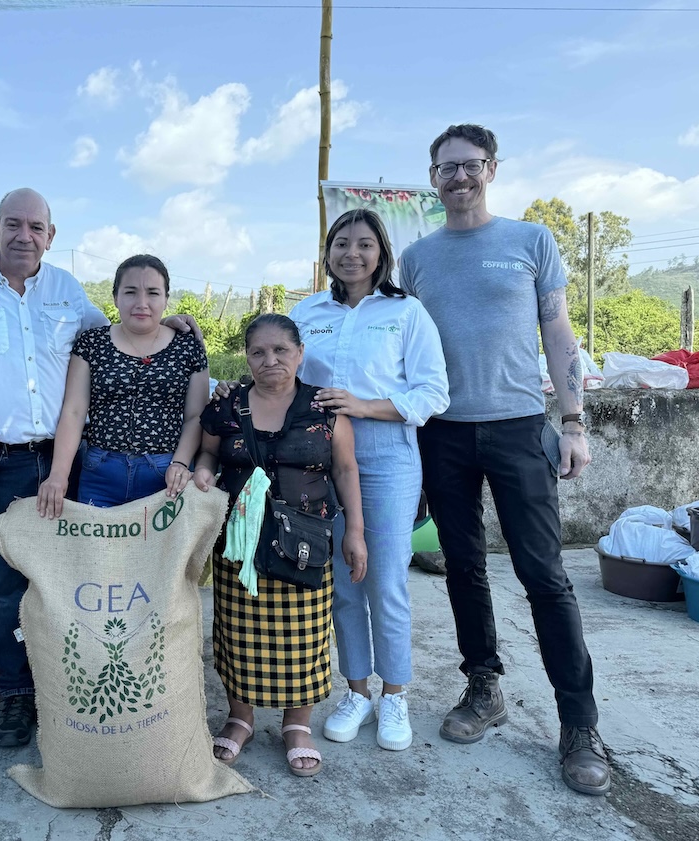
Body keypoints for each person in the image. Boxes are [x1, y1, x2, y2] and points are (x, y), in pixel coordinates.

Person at [0, 188, 201, 748]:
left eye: (36, 227)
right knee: (5, 585)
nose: (25, 236)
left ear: (52, 235)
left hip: (68, 461)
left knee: (79, 582)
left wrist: (177, 321)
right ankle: (18, 695)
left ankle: (77, 684)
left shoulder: (69, 292)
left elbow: (124, 331)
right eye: (14, 225)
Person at [397, 124, 609, 795]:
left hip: (520, 427)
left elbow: (557, 331)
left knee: (544, 574)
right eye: (446, 168)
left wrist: (572, 421)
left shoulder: (530, 241)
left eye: (470, 165)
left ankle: (579, 723)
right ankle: (483, 685)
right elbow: (405, 346)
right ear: (433, 178)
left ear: (491, 169)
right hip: (444, 432)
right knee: (461, 565)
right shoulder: (418, 257)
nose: (458, 177)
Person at [289, 209, 449, 752]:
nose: (351, 253)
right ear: (328, 251)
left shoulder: (407, 313)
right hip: (317, 457)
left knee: (384, 579)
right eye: (341, 243)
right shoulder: (306, 312)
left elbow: (433, 393)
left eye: (364, 243)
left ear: (381, 251)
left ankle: (395, 695)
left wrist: (364, 405)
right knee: (341, 583)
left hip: (386, 458)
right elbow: (279, 373)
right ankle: (356, 691)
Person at [192, 314, 367, 777]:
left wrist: (355, 532)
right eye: (258, 352)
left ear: (300, 353)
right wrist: (205, 470)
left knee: (304, 638)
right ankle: (240, 717)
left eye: (281, 351)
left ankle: (297, 726)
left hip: (306, 540)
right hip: (240, 540)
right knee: (237, 633)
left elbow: (346, 471)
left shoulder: (324, 408)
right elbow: (208, 450)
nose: (270, 360)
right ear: (247, 357)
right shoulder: (227, 407)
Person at [36, 254, 209, 518]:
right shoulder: (92, 344)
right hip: (100, 472)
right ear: (116, 297)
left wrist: (180, 463)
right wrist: (58, 475)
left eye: (153, 293)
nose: (142, 303)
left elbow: (196, 416)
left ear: (166, 299)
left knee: (157, 558)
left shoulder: (188, 347)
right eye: (130, 292)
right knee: (98, 556)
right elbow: (74, 411)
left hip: (165, 474)